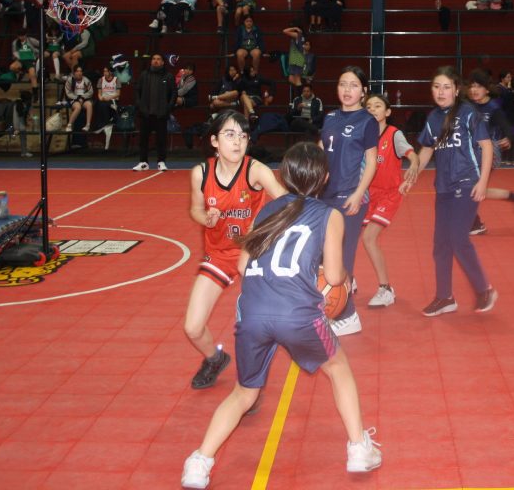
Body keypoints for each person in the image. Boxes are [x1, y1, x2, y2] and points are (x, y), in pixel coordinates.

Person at [180, 142, 381, 489]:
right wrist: (339, 282)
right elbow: (333, 278)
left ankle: (199, 463)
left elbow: (243, 265)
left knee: (244, 393)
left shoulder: (267, 210)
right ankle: (358, 448)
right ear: (326, 178)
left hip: (253, 311)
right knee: (338, 368)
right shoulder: (328, 215)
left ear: (283, 176)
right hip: (296, 313)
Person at [185, 110, 286, 391]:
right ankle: (214, 358)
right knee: (192, 327)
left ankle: (252, 384)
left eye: (243, 136)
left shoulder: (255, 170)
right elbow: (195, 208)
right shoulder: (201, 173)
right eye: (230, 135)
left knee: (255, 325)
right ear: (215, 141)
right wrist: (205, 218)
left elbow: (286, 202)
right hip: (218, 254)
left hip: (253, 256)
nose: (238, 142)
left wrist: (260, 221)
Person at [403, 66, 497, 317]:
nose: (441, 92)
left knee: (458, 238)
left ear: (456, 90)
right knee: (441, 244)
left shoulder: (468, 113)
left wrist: (483, 181)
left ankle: (484, 288)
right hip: (443, 187)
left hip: (466, 182)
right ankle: (445, 297)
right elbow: (426, 151)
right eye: (436, 87)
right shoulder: (434, 117)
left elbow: (486, 147)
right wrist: (412, 174)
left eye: (446, 87)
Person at [319, 66, 379, 336]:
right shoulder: (330, 117)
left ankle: (349, 315)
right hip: (325, 196)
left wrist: (358, 193)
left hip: (351, 196)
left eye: (353, 85)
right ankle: (330, 308)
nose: (347, 90)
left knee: (343, 257)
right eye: (343, 84)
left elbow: (371, 162)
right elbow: (322, 151)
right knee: (324, 257)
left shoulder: (367, 121)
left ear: (363, 91)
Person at [360, 93, 415, 308]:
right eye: (369, 106)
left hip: (390, 194)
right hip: (367, 194)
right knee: (345, 233)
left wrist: (414, 165)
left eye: (378, 106)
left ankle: (386, 289)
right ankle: (347, 279)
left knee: (369, 238)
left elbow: (412, 155)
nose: (373, 109)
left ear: (387, 112)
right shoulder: (363, 136)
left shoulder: (394, 134)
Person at [466, 69, 514, 236]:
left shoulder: (492, 108)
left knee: (469, 187)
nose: (474, 90)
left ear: (487, 89)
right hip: (473, 153)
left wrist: (508, 137)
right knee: (477, 189)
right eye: (472, 86)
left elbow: (506, 125)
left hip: (490, 152)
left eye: (478, 86)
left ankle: (475, 223)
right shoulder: (469, 106)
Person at [133, 53, 176, 172]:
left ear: (163, 62)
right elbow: (137, 91)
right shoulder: (144, 75)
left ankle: (161, 162)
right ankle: (143, 162)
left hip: (161, 114)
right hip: (145, 113)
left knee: (161, 139)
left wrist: (168, 107)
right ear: (151, 61)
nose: (156, 61)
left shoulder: (168, 76)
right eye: (154, 59)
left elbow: (173, 93)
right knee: (143, 139)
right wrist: (140, 105)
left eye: (158, 59)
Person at [10, 29, 41, 98]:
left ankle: (35, 93)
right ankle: (21, 72)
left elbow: (40, 44)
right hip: (21, 60)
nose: (21, 37)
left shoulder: (30, 40)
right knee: (12, 67)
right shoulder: (15, 43)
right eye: (20, 36)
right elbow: (14, 52)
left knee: (32, 75)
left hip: (30, 59)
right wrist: (17, 57)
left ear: (25, 35)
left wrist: (38, 53)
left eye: (23, 36)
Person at [63, 65, 94, 132]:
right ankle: (69, 125)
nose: (79, 73)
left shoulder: (86, 80)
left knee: (89, 105)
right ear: (74, 73)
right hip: (74, 98)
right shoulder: (70, 80)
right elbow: (68, 92)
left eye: (80, 71)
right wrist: (77, 98)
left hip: (84, 98)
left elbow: (90, 91)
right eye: (77, 71)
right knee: (78, 107)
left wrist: (82, 97)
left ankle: (88, 125)